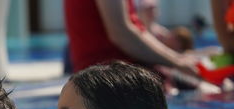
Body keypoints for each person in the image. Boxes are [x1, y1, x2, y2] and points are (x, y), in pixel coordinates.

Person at [64, 0, 199, 76]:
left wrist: (179, 59)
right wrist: (178, 62)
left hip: (108, 73)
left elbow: (137, 31)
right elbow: (121, 34)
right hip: (108, 77)